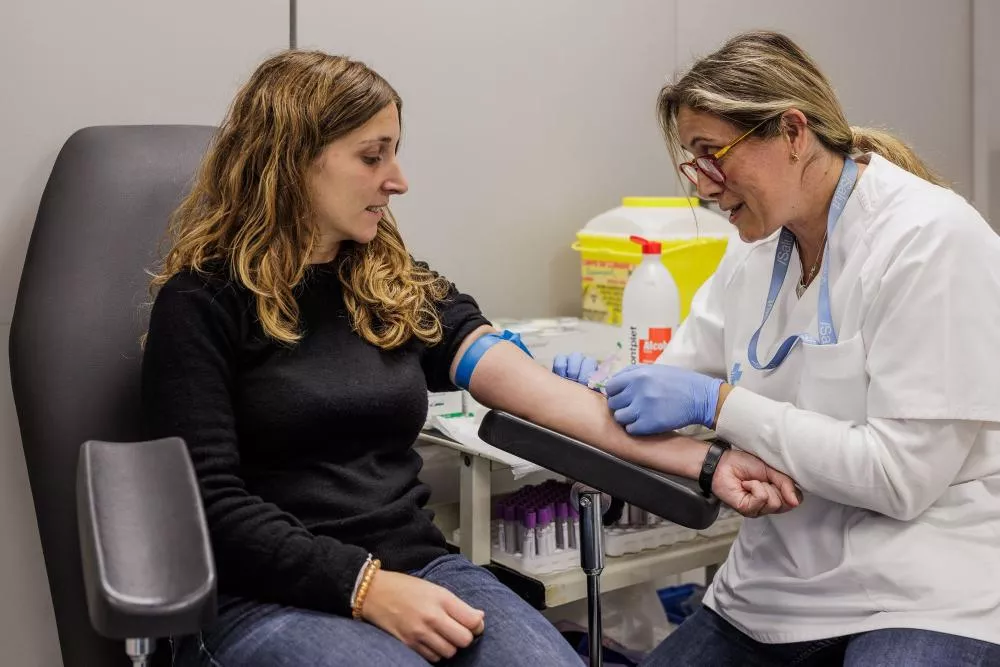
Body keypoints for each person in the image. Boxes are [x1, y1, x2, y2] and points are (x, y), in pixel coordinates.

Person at [141, 50, 800, 667]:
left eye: (394, 153)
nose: (397, 180)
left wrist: (702, 459)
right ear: (293, 160)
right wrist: (365, 588)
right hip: (265, 594)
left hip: (420, 566)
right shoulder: (201, 303)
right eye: (373, 157)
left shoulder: (390, 283)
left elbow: (542, 396)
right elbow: (209, 507)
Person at [556, 30, 1000, 665]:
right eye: (693, 160)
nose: (705, 185)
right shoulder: (752, 248)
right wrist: (607, 383)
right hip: (776, 587)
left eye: (715, 154)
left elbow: (899, 479)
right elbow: (676, 375)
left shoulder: (931, 239)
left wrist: (721, 404)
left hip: (926, 580)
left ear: (793, 133)